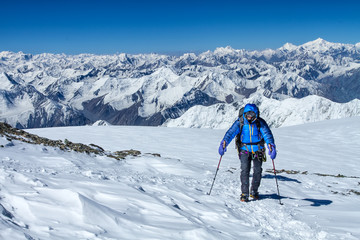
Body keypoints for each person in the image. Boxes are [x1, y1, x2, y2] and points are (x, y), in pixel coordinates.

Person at [218, 103, 276, 202]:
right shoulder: (240, 122)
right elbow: (230, 133)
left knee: (257, 171)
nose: (249, 116)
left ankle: (254, 191)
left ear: (256, 114)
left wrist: (271, 145)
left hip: (258, 149)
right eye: (248, 114)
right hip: (244, 149)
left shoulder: (259, 123)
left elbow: (267, 134)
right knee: (245, 170)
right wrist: (224, 143)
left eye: (252, 114)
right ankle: (244, 193)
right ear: (244, 113)